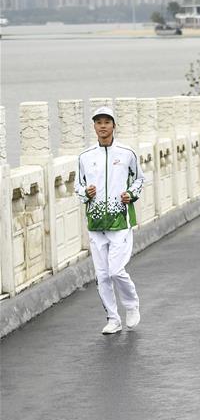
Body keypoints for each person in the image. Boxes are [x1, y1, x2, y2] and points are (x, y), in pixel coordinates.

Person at [74, 107, 143, 334]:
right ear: (94, 126)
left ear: (114, 125)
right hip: (95, 224)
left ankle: (131, 306)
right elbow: (77, 187)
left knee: (115, 271)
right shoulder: (84, 157)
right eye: (98, 122)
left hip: (119, 221)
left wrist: (130, 195)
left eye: (107, 122)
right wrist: (86, 193)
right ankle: (113, 318)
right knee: (102, 275)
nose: (103, 126)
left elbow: (139, 180)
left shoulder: (126, 153)